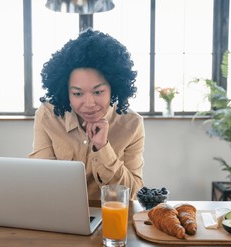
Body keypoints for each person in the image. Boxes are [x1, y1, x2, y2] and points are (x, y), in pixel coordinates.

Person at [29, 29, 145, 201]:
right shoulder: (47, 116)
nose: (89, 103)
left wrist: (103, 147)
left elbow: (134, 192)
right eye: (77, 94)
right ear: (65, 92)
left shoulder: (131, 125)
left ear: (114, 87)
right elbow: (40, 179)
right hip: (59, 214)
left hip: (110, 217)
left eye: (98, 92)